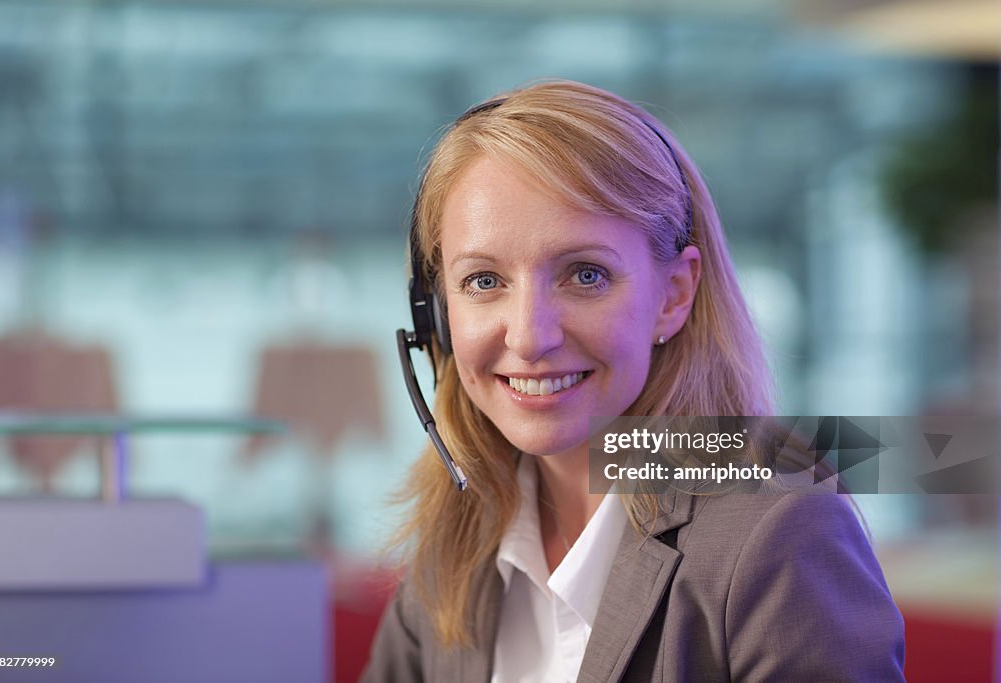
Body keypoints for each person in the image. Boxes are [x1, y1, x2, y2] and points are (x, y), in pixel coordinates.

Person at [364, 80, 904, 682]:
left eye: (585, 275)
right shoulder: (453, 554)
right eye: (484, 281)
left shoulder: (779, 537)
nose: (529, 337)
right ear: (436, 316)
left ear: (673, 296)